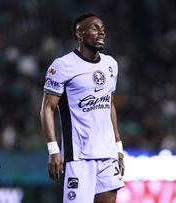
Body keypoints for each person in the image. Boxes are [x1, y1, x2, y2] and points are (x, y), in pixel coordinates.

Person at [40, 13, 125, 203]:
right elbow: (47, 108)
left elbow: (109, 105)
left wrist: (118, 146)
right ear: (79, 34)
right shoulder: (62, 66)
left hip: (108, 154)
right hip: (79, 156)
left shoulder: (111, 64)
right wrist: (53, 150)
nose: (101, 31)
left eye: (102, 28)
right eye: (94, 28)